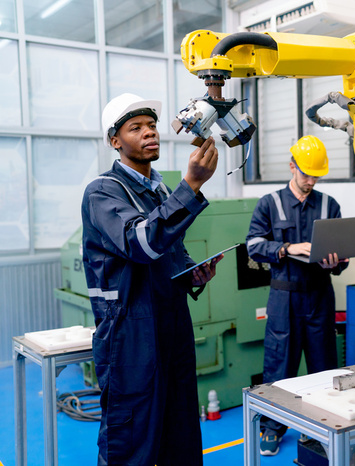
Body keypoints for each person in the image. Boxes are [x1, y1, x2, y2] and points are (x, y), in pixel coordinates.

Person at [82, 93, 221, 465]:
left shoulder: (158, 189)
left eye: (152, 126)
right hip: (130, 334)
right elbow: (140, 243)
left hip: (172, 323)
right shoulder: (103, 191)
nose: (150, 133)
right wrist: (190, 186)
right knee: (132, 440)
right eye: (136, 128)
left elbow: (169, 251)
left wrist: (193, 272)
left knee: (180, 433)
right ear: (115, 141)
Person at [246, 135, 349, 456]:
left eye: (316, 175)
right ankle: (272, 428)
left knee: (325, 367)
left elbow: (342, 254)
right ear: (292, 166)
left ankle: (323, 430)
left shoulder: (329, 204)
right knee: (279, 365)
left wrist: (338, 261)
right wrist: (287, 248)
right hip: (283, 299)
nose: (310, 180)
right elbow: (252, 247)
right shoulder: (269, 203)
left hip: (320, 296)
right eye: (305, 173)